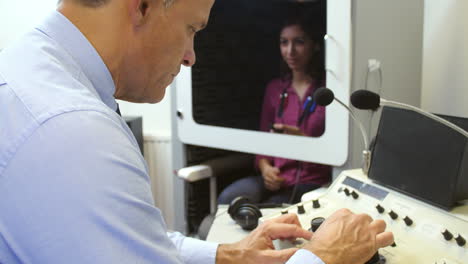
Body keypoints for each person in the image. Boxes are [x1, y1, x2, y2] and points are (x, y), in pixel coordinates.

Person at [0, 0, 393, 263]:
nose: (191, 56)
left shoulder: (30, 72)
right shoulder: (73, 131)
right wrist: (321, 257)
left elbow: (132, 239)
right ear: (142, 5)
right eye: (191, 28)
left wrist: (226, 254)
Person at [218, 12, 331, 205]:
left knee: (271, 211)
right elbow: (263, 140)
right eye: (284, 42)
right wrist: (266, 169)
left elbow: (336, 152)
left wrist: (303, 141)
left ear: (316, 46)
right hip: (278, 177)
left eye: (299, 42)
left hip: (312, 181)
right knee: (228, 199)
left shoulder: (327, 92)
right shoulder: (274, 89)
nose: (290, 51)